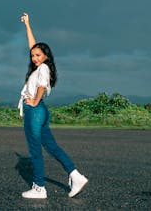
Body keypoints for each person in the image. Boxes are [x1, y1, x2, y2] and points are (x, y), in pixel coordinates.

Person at [18, 12, 89, 199]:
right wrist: (27, 25)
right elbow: (33, 45)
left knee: (35, 150)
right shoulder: (40, 66)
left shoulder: (43, 68)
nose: (34, 58)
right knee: (52, 147)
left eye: (38, 55)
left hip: (35, 110)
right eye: (32, 55)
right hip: (40, 111)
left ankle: (39, 188)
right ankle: (76, 175)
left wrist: (33, 101)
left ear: (45, 56)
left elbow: (41, 86)